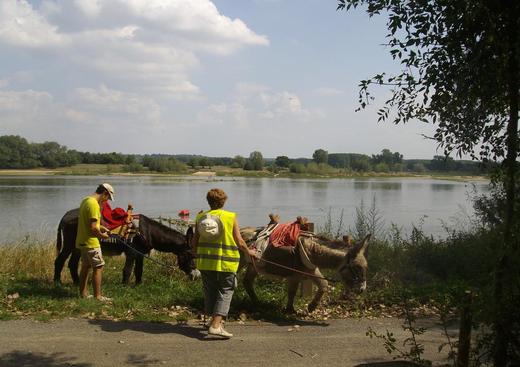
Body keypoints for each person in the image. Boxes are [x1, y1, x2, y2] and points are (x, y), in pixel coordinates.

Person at [192, 188, 256, 338]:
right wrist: (249, 252)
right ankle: (216, 326)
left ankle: (212, 320)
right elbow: (240, 241)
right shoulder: (230, 216)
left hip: (206, 261)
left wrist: (195, 255)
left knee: (210, 291)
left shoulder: (200, 217)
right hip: (227, 262)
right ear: (223, 201)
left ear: (208, 201)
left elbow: (194, 241)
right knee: (226, 291)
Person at [75, 183, 114, 302]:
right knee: (98, 267)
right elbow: (93, 228)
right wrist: (103, 236)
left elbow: (91, 223)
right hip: (91, 243)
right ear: (105, 193)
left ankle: (83, 293)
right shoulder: (94, 205)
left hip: (82, 241)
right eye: (108, 198)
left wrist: (102, 227)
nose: (107, 201)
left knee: (85, 266)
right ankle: (98, 296)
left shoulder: (85, 200)